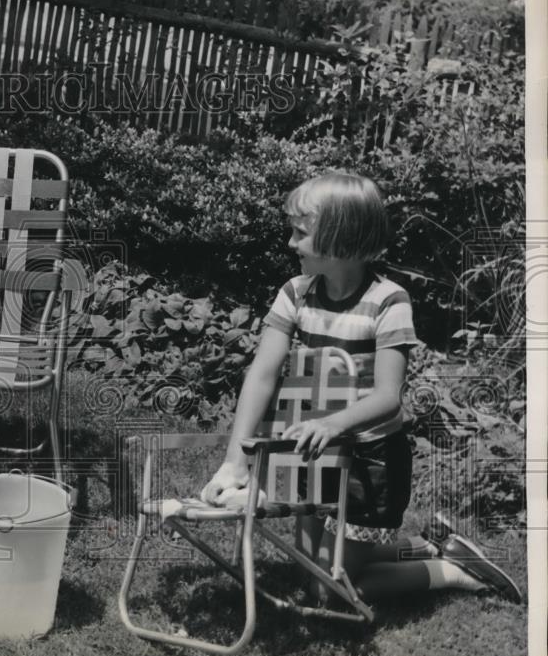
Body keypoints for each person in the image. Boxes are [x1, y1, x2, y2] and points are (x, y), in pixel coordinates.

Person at [199, 172, 522, 604]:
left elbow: (388, 397)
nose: (291, 244)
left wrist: (334, 422)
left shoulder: (389, 301)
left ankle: (451, 571)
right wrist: (235, 463)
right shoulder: (295, 294)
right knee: (312, 565)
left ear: (340, 238)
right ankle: (424, 545)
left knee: (330, 589)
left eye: (300, 233)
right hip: (313, 454)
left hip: (368, 463)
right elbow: (262, 373)